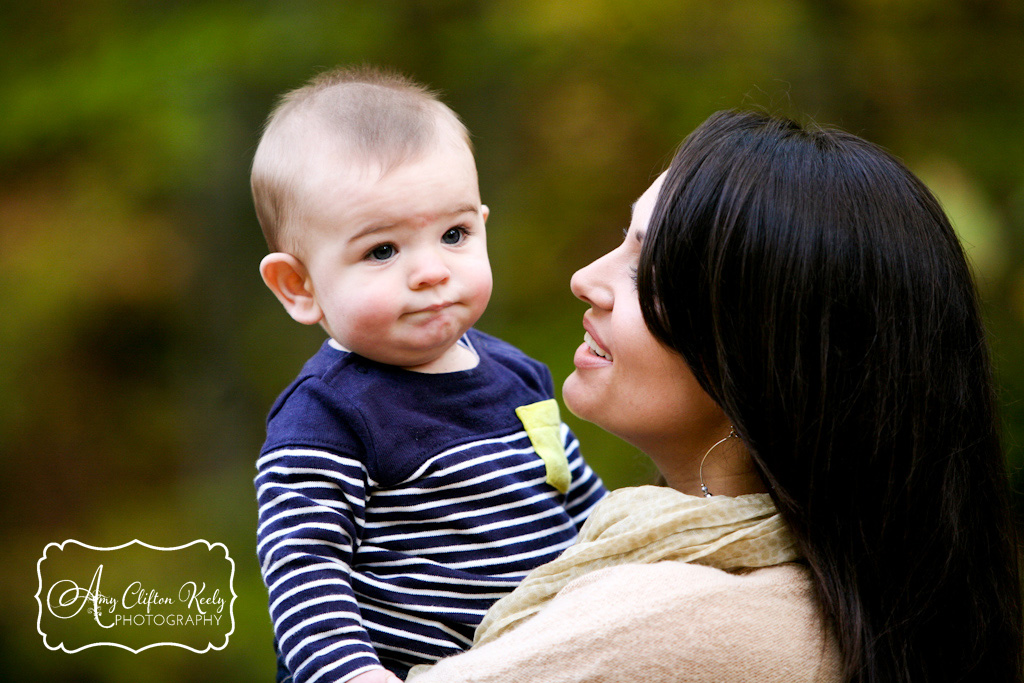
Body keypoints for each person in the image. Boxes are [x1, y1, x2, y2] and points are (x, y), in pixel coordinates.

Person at [407, 110, 1023, 682]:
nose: (586, 278)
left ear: (753, 356)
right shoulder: (848, 599)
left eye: (646, 268)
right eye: (622, 240)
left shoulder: (669, 623)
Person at [250, 66, 607, 683]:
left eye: (454, 234)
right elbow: (304, 572)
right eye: (382, 250)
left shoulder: (520, 376)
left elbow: (582, 507)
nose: (432, 271)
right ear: (299, 285)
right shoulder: (326, 416)